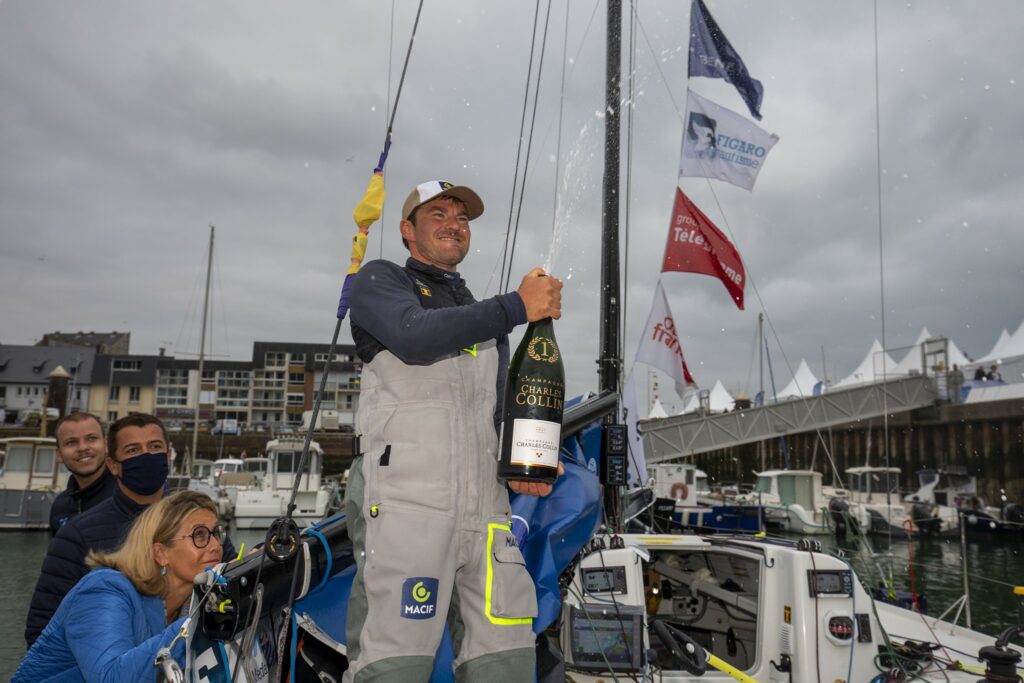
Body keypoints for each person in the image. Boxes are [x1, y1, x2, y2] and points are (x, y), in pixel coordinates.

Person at [343, 180, 563, 682]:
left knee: (506, 661)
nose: (454, 224)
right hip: (407, 507)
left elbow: (503, 415)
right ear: (407, 230)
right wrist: (515, 306)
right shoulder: (379, 280)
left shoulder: (487, 322)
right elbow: (413, 337)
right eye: (438, 213)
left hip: (487, 513)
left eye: (462, 218)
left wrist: (534, 460)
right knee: (393, 666)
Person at [24, 412, 235, 646]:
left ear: (167, 456)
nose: (146, 456)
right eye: (133, 450)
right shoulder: (76, 536)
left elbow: (234, 589)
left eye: (155, 446)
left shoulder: (202, 525)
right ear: (113, 465)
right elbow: (42, 630)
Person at [13, 491, 225, 681]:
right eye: (200, 535)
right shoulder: (103, 590)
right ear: (161, 553)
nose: (216, 546)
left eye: (216, 533)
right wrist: (200, 621)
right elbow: (111, 677)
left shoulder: (190, 603)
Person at [49, 412, 118, 534]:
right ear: (59, 455)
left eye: (91, 438)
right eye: (71, 442)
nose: (83, 448)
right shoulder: (60, 507)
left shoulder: (128, 497)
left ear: (106, 445)